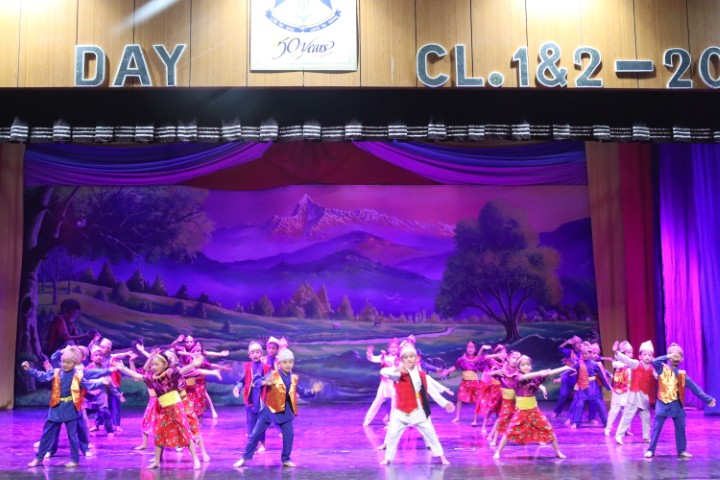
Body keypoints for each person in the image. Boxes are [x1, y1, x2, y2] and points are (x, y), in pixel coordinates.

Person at [22, 346, 112, 468]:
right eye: (63, 361)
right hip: (56, 407)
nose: (64, 364)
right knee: (47, 434)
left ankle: (74, 460)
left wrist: (102, 382)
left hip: (71, 408)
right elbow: (42, 376)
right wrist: (29, 370)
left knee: (72, 435)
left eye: (68, 362)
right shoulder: (56, 372)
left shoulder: (78, 375)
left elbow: (89, 385)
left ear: (74, 363)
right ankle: (39, 458)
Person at [233, 348, 323, 468]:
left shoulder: (294, 378)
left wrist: (312, 391)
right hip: (269, 410)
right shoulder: (273, 375)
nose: (288, 364)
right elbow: (257, 382)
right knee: (255, 435)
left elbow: (303, 393)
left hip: (286, 412)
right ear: (279, 364)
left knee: (289, 436)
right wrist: (265, 383)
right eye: (285, 362)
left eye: (290, 362)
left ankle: (285, 459)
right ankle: (244, 458)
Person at [115, 352, 201, 469]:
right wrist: (123, 368)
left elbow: (181, 371)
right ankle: (156, 461)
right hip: (163, 408)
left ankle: (196, 460)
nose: (153, 367)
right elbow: (137, 376)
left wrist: (193, 364)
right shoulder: (152, 378)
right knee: (159, 433)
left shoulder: (170, 373)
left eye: (156, 364)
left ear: (165, 365)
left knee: (184, 431)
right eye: (152, 365)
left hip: (176, 407)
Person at [379, 343, 455, 466]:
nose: (409, 359)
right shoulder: (398, 374)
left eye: (411, 356)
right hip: (401, 411)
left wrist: (445, 403)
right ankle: (388, 458)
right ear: (402, 359)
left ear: (416, 358)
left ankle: (441, 457)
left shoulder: (422, 375)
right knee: (392, 435)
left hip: (417, 410)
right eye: (406, 357)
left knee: (430, 433)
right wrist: (398, 369)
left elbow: (433, 391)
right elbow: (383, 371)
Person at [645, 343, 716, 459]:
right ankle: (650, 449)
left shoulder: (682, 375)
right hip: (663, 403)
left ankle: (681, 450)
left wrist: (708, 399)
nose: (675, 357)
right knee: (657, 427)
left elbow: (695, 388)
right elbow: (654, 361)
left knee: (681, 427)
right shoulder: (662, 369)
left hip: (677, 405)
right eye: (673, 355)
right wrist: (669, 356)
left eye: (677, 355)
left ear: (681, 358)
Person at [493, 356, 572, 459]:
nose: (526, 366)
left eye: (528, 364)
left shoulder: (534, 378)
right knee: (509, 432)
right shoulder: (517, 377)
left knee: (549, 429)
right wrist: (540, 372)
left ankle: (557, 451)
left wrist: (565, 368)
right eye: (523, 365)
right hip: (521, 412)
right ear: (518, 367)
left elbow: (549, 373)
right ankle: (498, 451)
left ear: (531, 366)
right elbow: (525, 377)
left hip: (534, 411)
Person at [613, 340, 656, 444]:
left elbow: (659, 376)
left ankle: (646, 437)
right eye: (645, 354)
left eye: (649, 355)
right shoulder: (636, 364)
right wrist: (615, 352)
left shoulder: (652, 368)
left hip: (644, 396)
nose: (647, 357)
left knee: (646, 417)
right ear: (640, 356)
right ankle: (619, 435)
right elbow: (626, 359)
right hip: (634, 394)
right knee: (627, 415)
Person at [233, 341, 272, 451]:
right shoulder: (247, 367)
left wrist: (265, 382)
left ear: (261, 354)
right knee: (251, 423)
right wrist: (237, 388)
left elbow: (269, 379)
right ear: (249, 355)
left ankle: (262, 444)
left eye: (257, 352)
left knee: (261, 423)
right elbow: (243, 380)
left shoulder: (266, 367)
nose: (255, 354)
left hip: (261, 399)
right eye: (252, 352)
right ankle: (252, 444)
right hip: (250, 400)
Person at [440, 341, 483, 425]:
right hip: (464, 382)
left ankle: (476, 419)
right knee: (460, 399)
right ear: (466, 349)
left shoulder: (477, 359)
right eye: (468, 347)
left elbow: (484, 367)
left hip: (474, 382)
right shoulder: (462, 359)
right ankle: (457, 417)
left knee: (477, 400)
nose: (470, 349)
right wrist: (447, 371)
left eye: (472, 347)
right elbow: (455, 367)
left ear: (475, 349)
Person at [363, 338, 400, 426]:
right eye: (391, 347)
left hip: (394, 384)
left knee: (394, 403)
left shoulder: (399, 359)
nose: (393, 349)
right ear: (388, 349)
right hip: (384, 383)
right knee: (377, 401)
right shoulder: (384, 356)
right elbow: (372, 358)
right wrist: (369, 352)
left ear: (398, 349)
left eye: (395, 347)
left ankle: (392, 422)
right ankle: (367, 420)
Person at [604, 340, 633, 437]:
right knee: (614, 410)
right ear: (623, 353)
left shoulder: (631, 365)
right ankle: (608, 428)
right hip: (618, 391)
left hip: (628, 390)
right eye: (628, 352)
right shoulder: (618, 363)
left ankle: (626, 429)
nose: (631, 354)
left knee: (626, 410)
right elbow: (616, 364)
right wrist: (616, 352)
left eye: (631, 352)